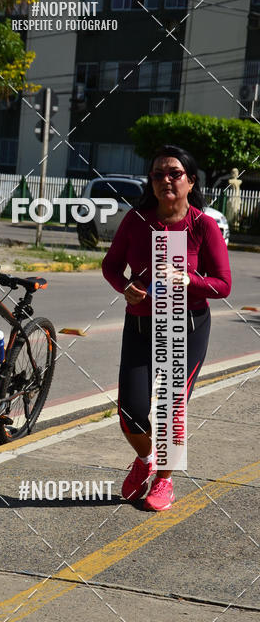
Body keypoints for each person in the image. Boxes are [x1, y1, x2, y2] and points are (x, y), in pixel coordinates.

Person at [102, 145, 231, 511]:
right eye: (157, 174)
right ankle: (146, 461)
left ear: (190, 181)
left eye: (174, 173)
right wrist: (124, 287)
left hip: (187, 326)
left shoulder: (203, 226)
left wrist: (189, 280)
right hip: (141, 324)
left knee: (173, 408)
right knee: (131, 410)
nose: (165, 180)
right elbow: (111, 266)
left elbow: (223, 284)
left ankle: (165, 481)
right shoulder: (137, 221)